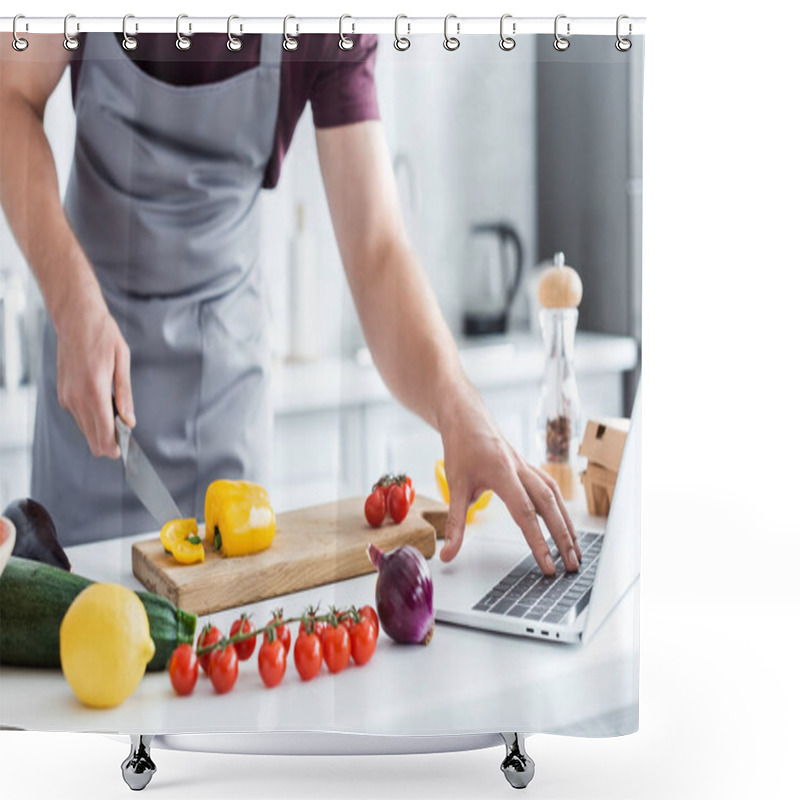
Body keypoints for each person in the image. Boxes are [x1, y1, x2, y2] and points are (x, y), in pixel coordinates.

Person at [0, 31, 581, 575]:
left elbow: (377, 252)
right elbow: (10, 97)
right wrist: (72, 300)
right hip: (86, 371)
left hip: (222, 388)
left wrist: (459, 407)